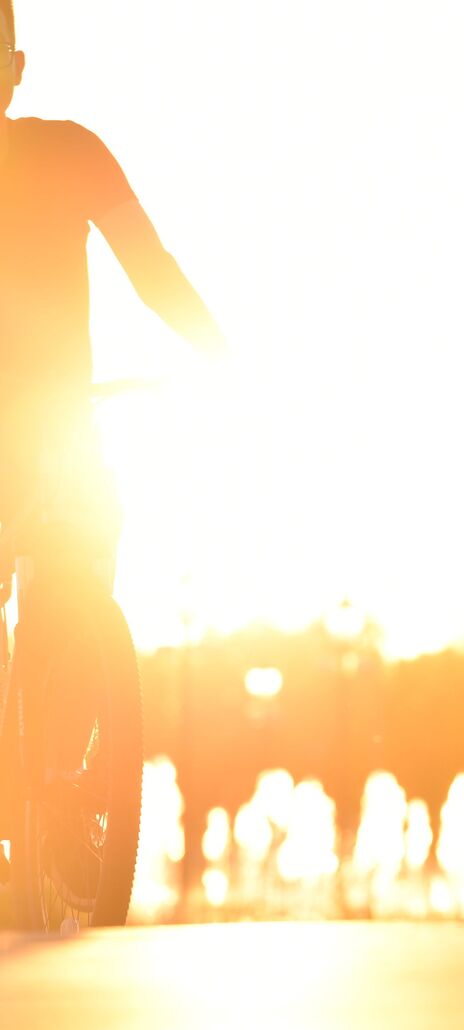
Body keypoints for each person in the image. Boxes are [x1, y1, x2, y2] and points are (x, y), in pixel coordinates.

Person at [0, 1, 225, 831]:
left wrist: (218, 354)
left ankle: (55, 779)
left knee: (85, 564)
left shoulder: (72, 153)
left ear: (17, 70)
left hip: (58, 426)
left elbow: (151, 266)